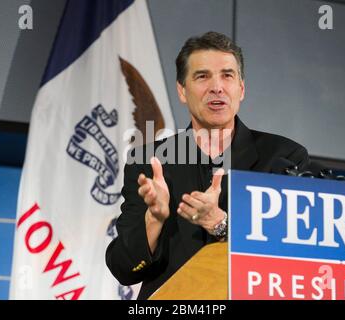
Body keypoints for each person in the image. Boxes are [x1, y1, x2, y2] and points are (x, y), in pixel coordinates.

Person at [106, 31, 310, 300]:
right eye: (202, 76)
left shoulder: (283, 158)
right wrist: (154, 219)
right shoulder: (149, 162)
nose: (217, 87)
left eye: (227, 75)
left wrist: (220, 224)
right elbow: (124, 268)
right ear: (182, 91)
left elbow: (296, 256)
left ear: (241, 88)